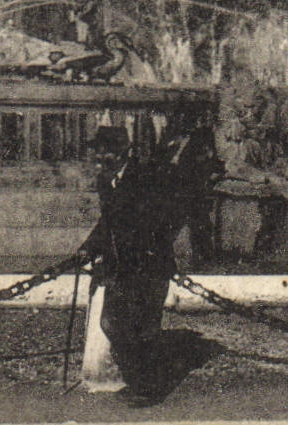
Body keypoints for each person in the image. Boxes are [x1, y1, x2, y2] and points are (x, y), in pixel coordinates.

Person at [82, 121, 218, 405]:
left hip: (148, 266)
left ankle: (149, 388)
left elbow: (163, 221)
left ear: (123, 153)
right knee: (112, 323)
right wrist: (86, 250)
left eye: (105, 153)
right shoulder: (106, 181)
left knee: (142, 329)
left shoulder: (144, 177)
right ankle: (138, 381)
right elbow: (107, 224)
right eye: (97, 153)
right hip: (121, 268)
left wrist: (147, 251)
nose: (99, 159)